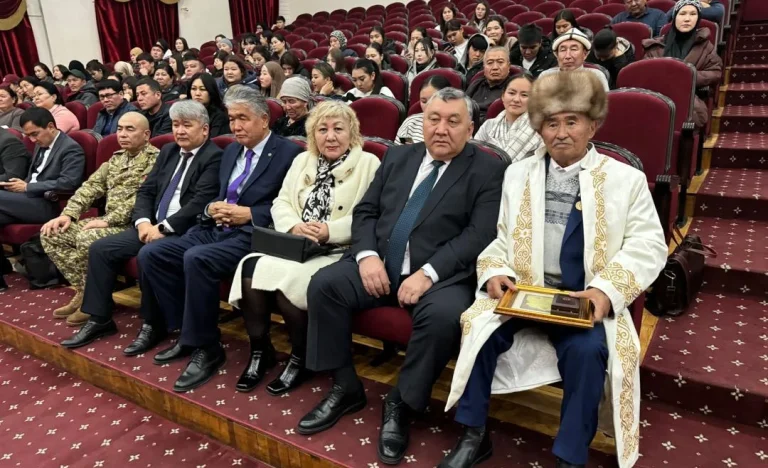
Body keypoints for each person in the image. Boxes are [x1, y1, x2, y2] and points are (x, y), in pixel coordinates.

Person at [440, 70, 667, 468]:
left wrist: (603, 292)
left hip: (582, 300)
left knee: (587, 352)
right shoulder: (518, 174)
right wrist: (495, 271)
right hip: (525, 293)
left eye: (571, 121)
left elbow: (648, 245)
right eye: (551, 123)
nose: (560, 133)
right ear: (539, 129)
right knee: (478, 329)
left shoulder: (626, 180)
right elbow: (501, 236)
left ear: (592, 125)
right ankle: (474, 432)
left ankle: (570, 455)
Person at [297, 88, 504, 466]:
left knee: (443, 317)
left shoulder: (488, 170)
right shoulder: (398, 156)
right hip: (378, 263)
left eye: (453, 121)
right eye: (433, 119)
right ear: (422, 122)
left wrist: (428, 273)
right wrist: (366, 257)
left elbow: (479, 235)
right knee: (324, 285)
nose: (441, 129)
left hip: (441, 274)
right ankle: (345, 386)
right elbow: (366, 212)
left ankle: (402, 403)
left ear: (471, 128)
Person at [136, 87, 302, 393]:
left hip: (253, 234)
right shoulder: (230, 152)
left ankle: (207, 347)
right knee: (152, 254)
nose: (235, 126)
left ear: (264, 120)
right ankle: (187, 332)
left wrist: (250, 214)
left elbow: (292, 204)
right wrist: (212, 208)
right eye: (231, 119)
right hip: (216, 228)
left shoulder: (289, 153)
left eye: (243, 118)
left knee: (197, 258)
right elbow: (215, 196)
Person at [229, 100, 381, 394]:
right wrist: (293, 226)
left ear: (352, 132)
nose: (330, 136)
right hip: (295, 244)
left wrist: (329, 231)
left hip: (336, 250)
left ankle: (300, 358)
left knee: (291, 280)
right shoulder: (302, 160)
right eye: (322, 130)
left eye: (338, 129)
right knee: (249, 267)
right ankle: (261, 351)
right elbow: (281, 201)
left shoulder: (369, 163)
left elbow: (370, 215)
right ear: (313, 134)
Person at [58, 101, 223, 349]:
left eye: (187, 125)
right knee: (101, 249)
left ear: (205, 129)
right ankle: (99, 319)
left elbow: (199, 202)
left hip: (185, 230)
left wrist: (163, 228)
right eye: (176, 125)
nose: (179, 131)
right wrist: (144, 222)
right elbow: (146, 191)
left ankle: (152, 323)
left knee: (149, 253)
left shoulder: (214, 156)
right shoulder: (169, 151)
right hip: (151, 226)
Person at [42, 113, 159, 327]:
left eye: (130, 129)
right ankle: (84, 291)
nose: (122, 134)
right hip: (109, 222)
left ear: (146, 134)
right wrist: (68, 214)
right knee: (52, 233)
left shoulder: (156, 160)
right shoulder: (116, 158)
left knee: (87, 237)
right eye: (120, 129)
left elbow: (141, 199)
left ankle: (94, 300)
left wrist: (108, 221)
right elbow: (91, 186)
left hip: (134, 225)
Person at [0, 108, 85, 227]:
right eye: (28, 135)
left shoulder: (70, 148)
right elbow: (35, 174)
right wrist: (22, 184)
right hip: (26, 199)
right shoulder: (41, 143)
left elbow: (69, 182)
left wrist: (27, 187)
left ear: (50, 127)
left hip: (47, 203)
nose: (32, 140)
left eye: (35, 134)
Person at [643, 0, 722, 127]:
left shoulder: (705, 46)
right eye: (682, 14)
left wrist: (688, 76)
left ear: (698, 18)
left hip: (688, 99)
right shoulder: (656, 46)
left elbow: (715, 72)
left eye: (693, 14)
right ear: (675, 17)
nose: (687, 19)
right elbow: (644, 73)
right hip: (657, 97)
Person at [475, 73, 542, 163]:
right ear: (503, 96)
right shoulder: (489, 125)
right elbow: (474, 156)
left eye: (524, 95)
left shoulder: (540, 130)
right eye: (511, 93)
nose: (516, 99)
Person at [540, 29, 611, 92]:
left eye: (573, 49)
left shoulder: (596, 76)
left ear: (585, 54)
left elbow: (604, 102)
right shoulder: (546, 77)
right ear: (557, 55)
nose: (567, 56)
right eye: (563, 50)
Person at [396, 75, 452, 145]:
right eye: (424, 101)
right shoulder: (411, 123)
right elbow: (397, 149)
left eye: (433, 100)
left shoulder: (455, 127)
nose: (428, 106)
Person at [466, 46, 513, 120]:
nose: (495, 67)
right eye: (490, 63)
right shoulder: (476, 83)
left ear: (509, 66)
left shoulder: (513, 88)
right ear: (484, 67)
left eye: (500, 62)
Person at [189, 73, 230, 137]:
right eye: (193, 89)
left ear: (211, 91)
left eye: (203, 89)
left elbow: (213, 140)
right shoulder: (185, 112)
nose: (197, 93)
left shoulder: (219, 117)